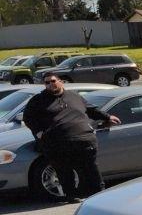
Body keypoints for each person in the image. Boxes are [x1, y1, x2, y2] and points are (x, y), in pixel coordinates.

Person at [22, 72, 120, 202]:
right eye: (47, 83)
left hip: (83, 140)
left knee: (91, 169)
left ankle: (98, 194)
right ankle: (72, 196)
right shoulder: (38, 100)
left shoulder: (74, 96)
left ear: (60, 81)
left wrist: (107, 117)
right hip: (57, 144)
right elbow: (28, 118)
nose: (51, 84)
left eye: (53, 81)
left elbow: (91, 110)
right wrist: (39, 132)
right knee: (64, 171)